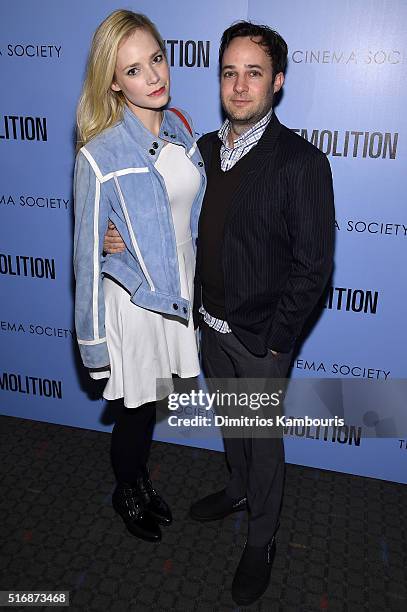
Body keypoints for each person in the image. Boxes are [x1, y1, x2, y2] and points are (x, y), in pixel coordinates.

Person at [104, 19, 334, 606]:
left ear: (276, 83)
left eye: (253, 74)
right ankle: (236, 489)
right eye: (229, 72)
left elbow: (313, 269)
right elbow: (158, 209)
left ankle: (261, 539)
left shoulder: (301, 164)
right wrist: (115, 234)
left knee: (263, 442)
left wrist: (277, 342)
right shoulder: (201, 149)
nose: (238, 86)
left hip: (261, 340)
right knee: (233, 427)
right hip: (208, 325)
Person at [73, 9, 206, 544]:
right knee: (133, 411)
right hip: (134, 303)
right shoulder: (98, 155)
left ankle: (140, 479)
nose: (154, 76)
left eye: (156, 59)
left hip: (177, 291)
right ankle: (127, 489)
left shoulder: (180, 127)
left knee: (150, 402)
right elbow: (86, 260)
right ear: (111, 80)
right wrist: (95, 347)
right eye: (133, 70)